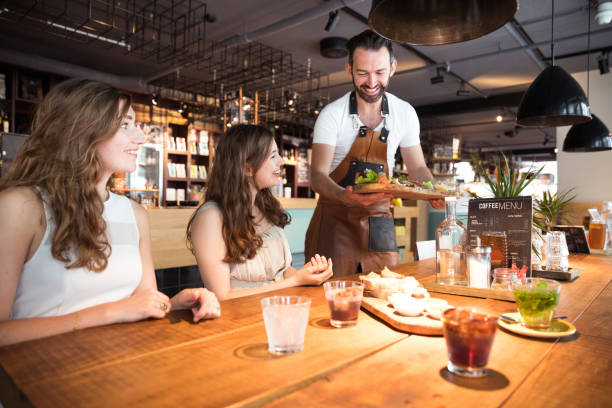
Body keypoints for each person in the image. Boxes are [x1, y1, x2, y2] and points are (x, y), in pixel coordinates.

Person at [0, 78, 220, 347]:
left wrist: (176, 304)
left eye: (136, 125)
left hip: (120, 368)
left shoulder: (136, 215)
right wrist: (111, 312)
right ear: (81, 130)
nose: (140, 137)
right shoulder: (21, 207)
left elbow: (145, 305)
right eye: (125, 125)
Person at [306, 29, 445, 277]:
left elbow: (418, 168)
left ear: (393, 67)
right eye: (362, 73)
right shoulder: (331, 115)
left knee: (388, 287)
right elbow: (317, 176)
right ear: (349, 69)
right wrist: (344, 195)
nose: (371, 82)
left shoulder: (405, 113)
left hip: (380, 219)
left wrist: (432, 190)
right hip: (336, 218)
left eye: (380, 72)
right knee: (334, 295)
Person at [187, 124, 333, 300]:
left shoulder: (266, 206)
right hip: (236, 322)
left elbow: (280, 272)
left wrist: (307, 273)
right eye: (273, 156)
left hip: (276, 313)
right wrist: (296, 281)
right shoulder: (210, 218)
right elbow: (221, 296)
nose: (281, 161)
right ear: (247, 167)